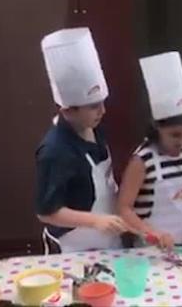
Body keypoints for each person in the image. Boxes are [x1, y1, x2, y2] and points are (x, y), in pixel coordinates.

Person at [35, 28, 131, 253]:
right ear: (68, 110)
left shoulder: (95, 128)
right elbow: (46, 212)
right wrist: (95, 221)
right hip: (72, 248)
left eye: (103, 102)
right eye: (94, 106)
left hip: (106, 242)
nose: (103, 111)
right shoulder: (54, 151)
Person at [118, 52, 182, 248]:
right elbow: (124, 208)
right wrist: (152, 233)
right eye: (175, 135)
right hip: (152, 248)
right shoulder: (143, 160)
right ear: (157, 128)